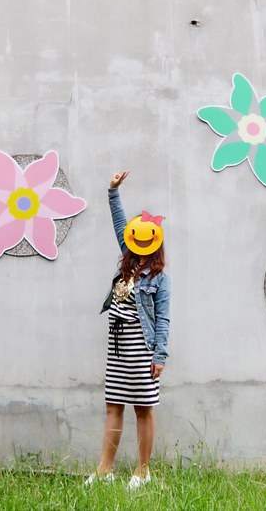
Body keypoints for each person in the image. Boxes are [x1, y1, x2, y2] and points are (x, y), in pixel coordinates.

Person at [85, 170, 171, 490]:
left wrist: (159, 356)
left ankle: (142, 472)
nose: (139, 243)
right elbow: (119, 222)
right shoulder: (127, 259)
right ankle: (104, 470)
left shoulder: (160, 279)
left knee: (143, 409)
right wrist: (113, 191)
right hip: (118, 348)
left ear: (155, 243)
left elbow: (163, 319)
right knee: (113, 406)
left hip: (141, 349)